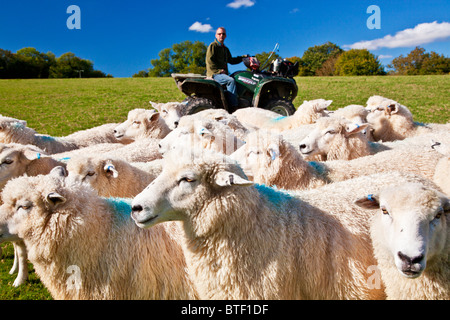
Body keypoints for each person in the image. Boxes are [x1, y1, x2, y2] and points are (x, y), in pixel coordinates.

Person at [206, 27, 247, 108]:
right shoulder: (213, 46)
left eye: (223, 34)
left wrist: (243, 58)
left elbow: (231, 60)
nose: (221, 35)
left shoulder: (225, 49)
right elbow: (209, 61)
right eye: (219, 34)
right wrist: (219, 71)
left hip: (223, 74)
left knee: (239, 79)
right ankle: (233, 107)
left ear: (225, 36)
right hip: (215, 74)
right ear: (216, 35)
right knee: (230, 81)